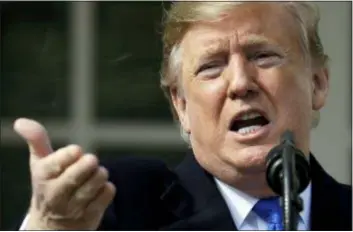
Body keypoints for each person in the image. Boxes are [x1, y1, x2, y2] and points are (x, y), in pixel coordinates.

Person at [15, 1, 351, 230]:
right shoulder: (118, 206)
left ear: (317, 84)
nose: (240, 83)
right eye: (211, 67)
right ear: (181, 106)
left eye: (262, 56)